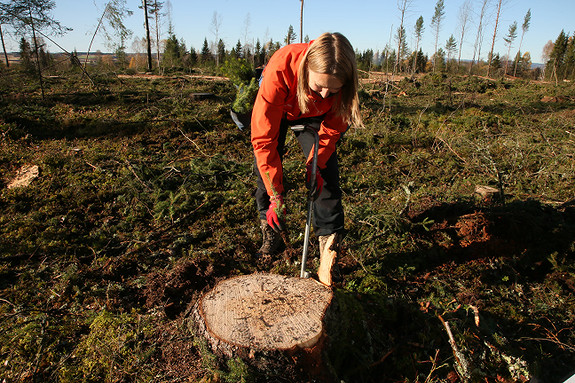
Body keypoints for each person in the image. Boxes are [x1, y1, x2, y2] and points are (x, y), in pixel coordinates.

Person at [251, 32, 362, 286]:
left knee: (326, 176)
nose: (325, 94)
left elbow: (332, 130)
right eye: (318, 86)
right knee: (264, 173)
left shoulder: (341, 93)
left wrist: (317, 164)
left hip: (313, 116)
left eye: (333, 90)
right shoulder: (281, 68)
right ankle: (272, 233)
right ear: (306, 70)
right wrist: (275, 194)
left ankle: (329, 251)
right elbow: (264, 140)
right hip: (281, 106)